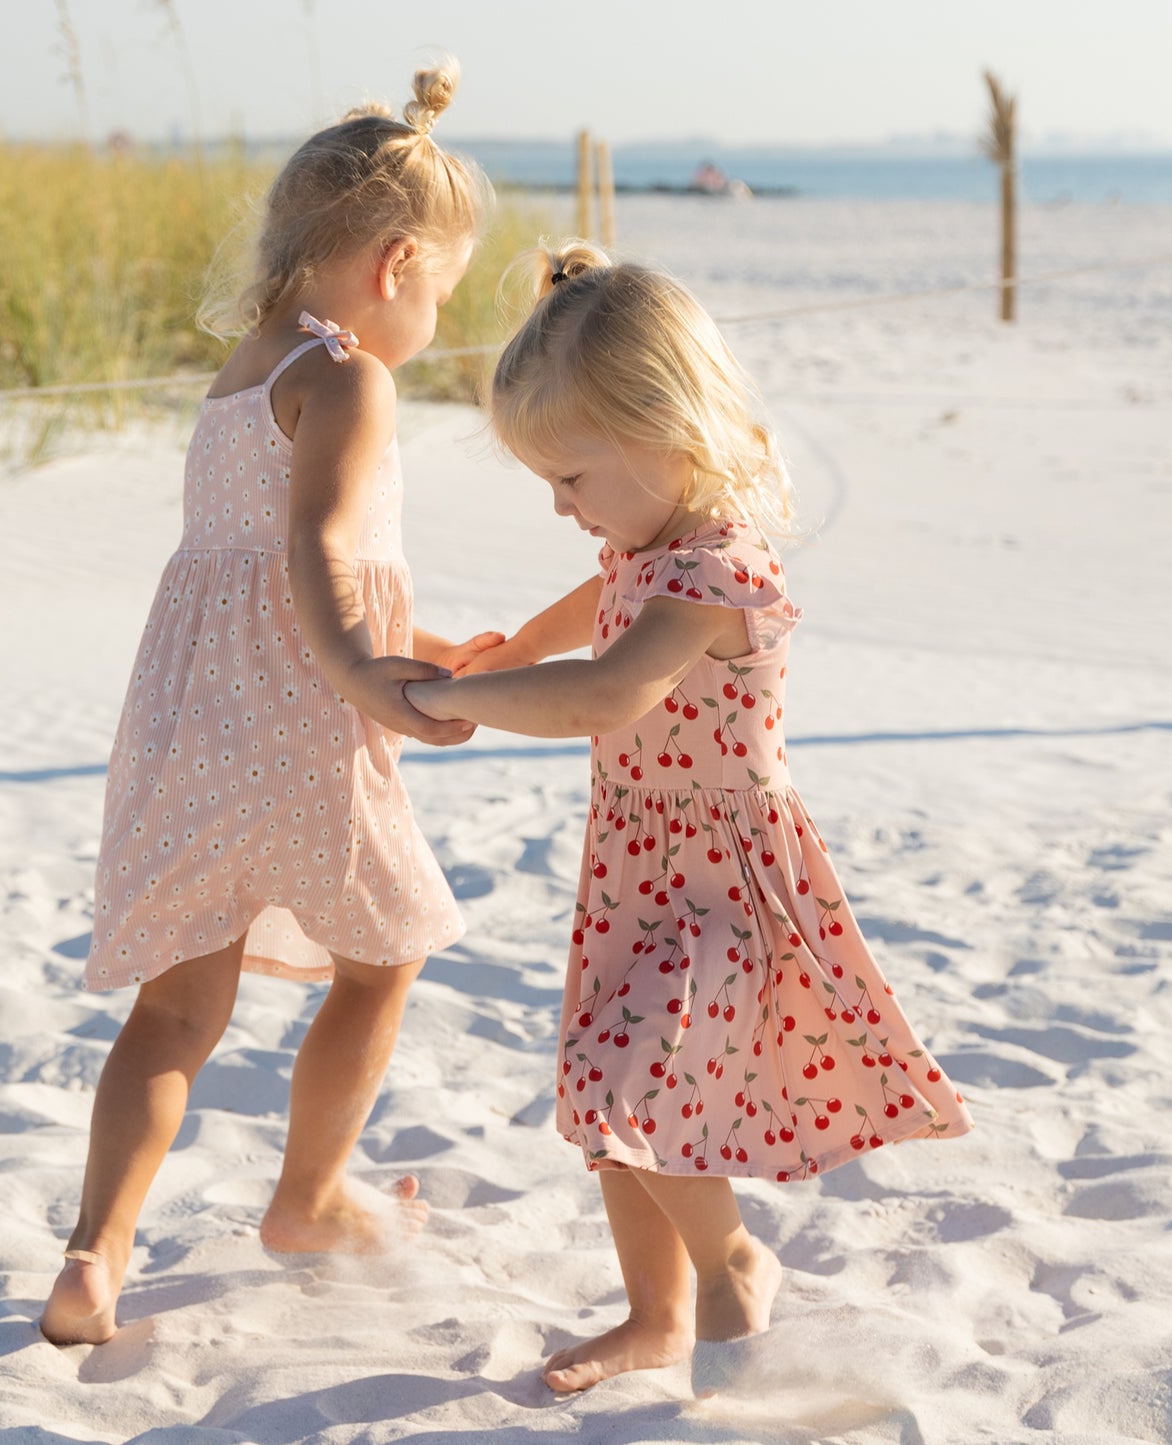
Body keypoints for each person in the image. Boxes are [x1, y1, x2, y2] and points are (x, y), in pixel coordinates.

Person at [404, 242, 974, 1397]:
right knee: (600, 1102)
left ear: (666, 434)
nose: (563, 508)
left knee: (625, 1082)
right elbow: (599, 594)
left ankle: (727, 1267)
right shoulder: (646, 539)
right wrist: (511, 645)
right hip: (632, 864)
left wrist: (454, 697)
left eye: (570, 478)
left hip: (719, 876)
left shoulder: (715, 573)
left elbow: (609, 692)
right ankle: (653, 1313)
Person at [40, 60, 499, 1347]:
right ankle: (307, 1197)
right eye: (444, 294)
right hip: (302, 714)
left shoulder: (244, 365)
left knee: (178, 1008)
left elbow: (265, 564)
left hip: (191, 714)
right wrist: (364, 669)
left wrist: (423, 640)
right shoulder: (353, 377)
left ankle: (94, 1252)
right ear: (395, 262)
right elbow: (313, 552)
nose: (439, 323)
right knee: (383, 956)